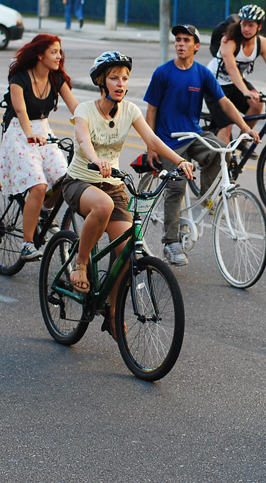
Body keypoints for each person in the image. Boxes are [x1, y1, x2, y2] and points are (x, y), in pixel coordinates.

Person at [63, 52, 194, 337]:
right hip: (80, 182)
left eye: (124, 78)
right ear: (101, 81)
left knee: (127, 253)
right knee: (102, 206)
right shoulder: (85, 110)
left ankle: (111, 311)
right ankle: (81, 264)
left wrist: (179, 161)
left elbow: (153, 140)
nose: (120, 83)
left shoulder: (130, 110)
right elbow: (84, 140)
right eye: (114, 78)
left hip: (113, 185)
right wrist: (96, 160)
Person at [144, 24, 260, 266]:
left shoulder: (201, 73)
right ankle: (171, 243)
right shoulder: (163, 73)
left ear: (196, 46)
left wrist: (246, 127)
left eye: (186, 40)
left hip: (194, 134)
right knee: (176, 185)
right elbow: (151, 110)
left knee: (223, 153)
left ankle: (207, 200)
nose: (180, 44)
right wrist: (151, 145)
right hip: (168, 140)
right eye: (178, 40)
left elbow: (225, 103)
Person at [0, 34, 79, 261]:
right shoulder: (19, 78)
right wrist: (30, 134)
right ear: (40, 54)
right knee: (39, 184)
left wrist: (93, 124)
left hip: (43, 130)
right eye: (54, 52)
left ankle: (43, 213)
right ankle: (26, 244)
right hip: (19, 131)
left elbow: (76, 107)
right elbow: (21, 111)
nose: (59, 56)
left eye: (60, 52)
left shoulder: (56, 78)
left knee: (66, 177)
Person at [204, 5, 266, 144]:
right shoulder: (229, 41)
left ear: (259, 27)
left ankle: (241, 142)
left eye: (251, 25)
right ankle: (221, 164)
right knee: (227, 126)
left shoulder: (262, 43)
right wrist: (245, 91)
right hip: (214, 84)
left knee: (257, 104)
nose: (246, 29)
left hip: (235, 83)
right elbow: (232, 69)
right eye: (243, 24)